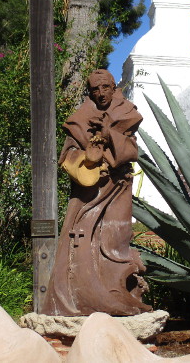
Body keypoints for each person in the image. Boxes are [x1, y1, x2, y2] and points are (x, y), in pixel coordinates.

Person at [41, 69, 151, 316]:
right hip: (87, 192)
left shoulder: (126, 114)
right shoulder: (80, 119)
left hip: (118, 188)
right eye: (95, 89)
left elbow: (131, 152)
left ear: (114, 88)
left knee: (116, 240)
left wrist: (109, 131)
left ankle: (119, 297)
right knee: (80, 243)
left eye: (105, 88)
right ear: (90, 93)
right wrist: (88, 159)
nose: (100, 93)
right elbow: (67, 155)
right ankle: (79, 299)